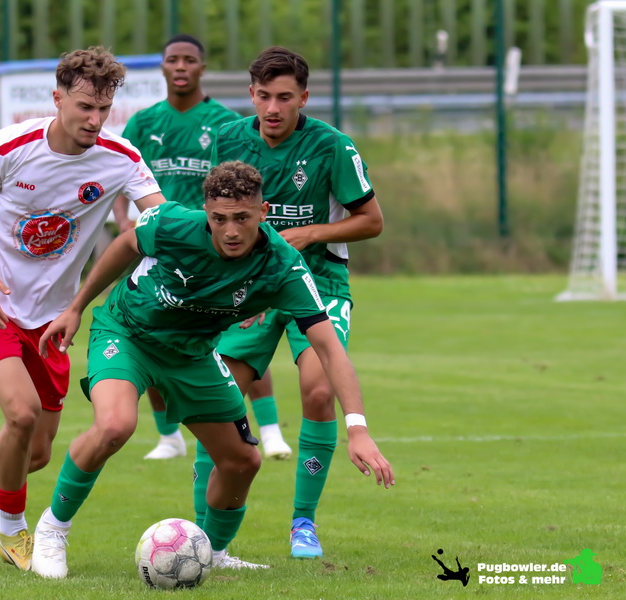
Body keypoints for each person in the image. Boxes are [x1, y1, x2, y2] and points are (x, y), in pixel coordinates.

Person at [29, 161, 393, 579]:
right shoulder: (173, 224)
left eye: (242, 218)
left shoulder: (283, 265)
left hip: (193, 354)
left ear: (264, 212)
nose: (231, 231)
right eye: (219, 219)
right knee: (115, 425)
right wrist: (75, 307)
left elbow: (329, 349)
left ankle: (213, 552)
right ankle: (53, 529)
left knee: (243, 461)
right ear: (206, 212)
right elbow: (127, 244)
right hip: (128, 333)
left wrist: (358, 429)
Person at [0, 46, 164, 571]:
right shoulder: (7, 148)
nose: (95, 120)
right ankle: (13, 532)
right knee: (21, 413)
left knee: (34, 452)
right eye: (85, 107)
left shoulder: (121, 158)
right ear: (57, 99)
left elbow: (161, 220)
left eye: (104, 109)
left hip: (52, 320)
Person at [194, 46, 386, 560]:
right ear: (251, 95)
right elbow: (214, 219)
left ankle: (303, 523)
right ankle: (200, 538)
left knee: (318, 390)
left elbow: (372, 221)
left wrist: (312, 233)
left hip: (319, 281)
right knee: (217, 399)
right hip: (250, 286)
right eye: (264, 96)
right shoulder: (230, 140)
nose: (273, 108)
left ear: (304, 97)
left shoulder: (332, 146)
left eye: (284, 97)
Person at [113, 34, 292, 461]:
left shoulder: (223, 123)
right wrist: (123, 222)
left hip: (216, 246)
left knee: (240, 333)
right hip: (160, 245)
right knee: (153, 333)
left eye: (189, 60)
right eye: (172, 59)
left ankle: (270, 431)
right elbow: (119, 174)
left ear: (202, 68)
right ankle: (168, 437)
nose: (180, 67)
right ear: (162, 67)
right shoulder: (144, 122)